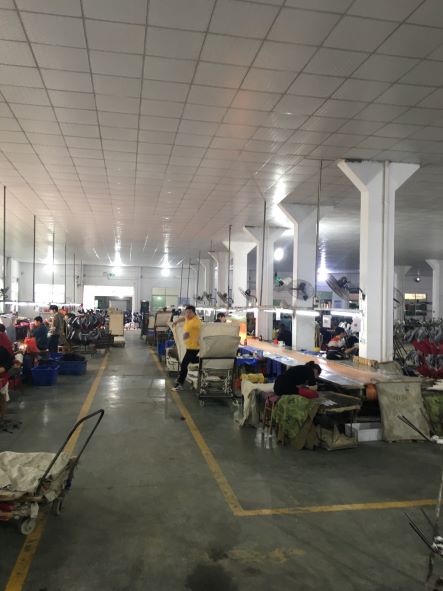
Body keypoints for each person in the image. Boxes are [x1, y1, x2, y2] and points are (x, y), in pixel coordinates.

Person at [172, 305, 201, 391]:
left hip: (194, 347)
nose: (187, 314)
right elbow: (184, 318)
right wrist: (176, 321)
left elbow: (190, 332)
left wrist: (186, 335)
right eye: (186, 312)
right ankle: (203, 359)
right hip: (189, 346)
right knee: (192, 360)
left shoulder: (195, 323)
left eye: (190, 312)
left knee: (184, 364)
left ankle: (180, 384)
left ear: (194, 313)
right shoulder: (188, 318)